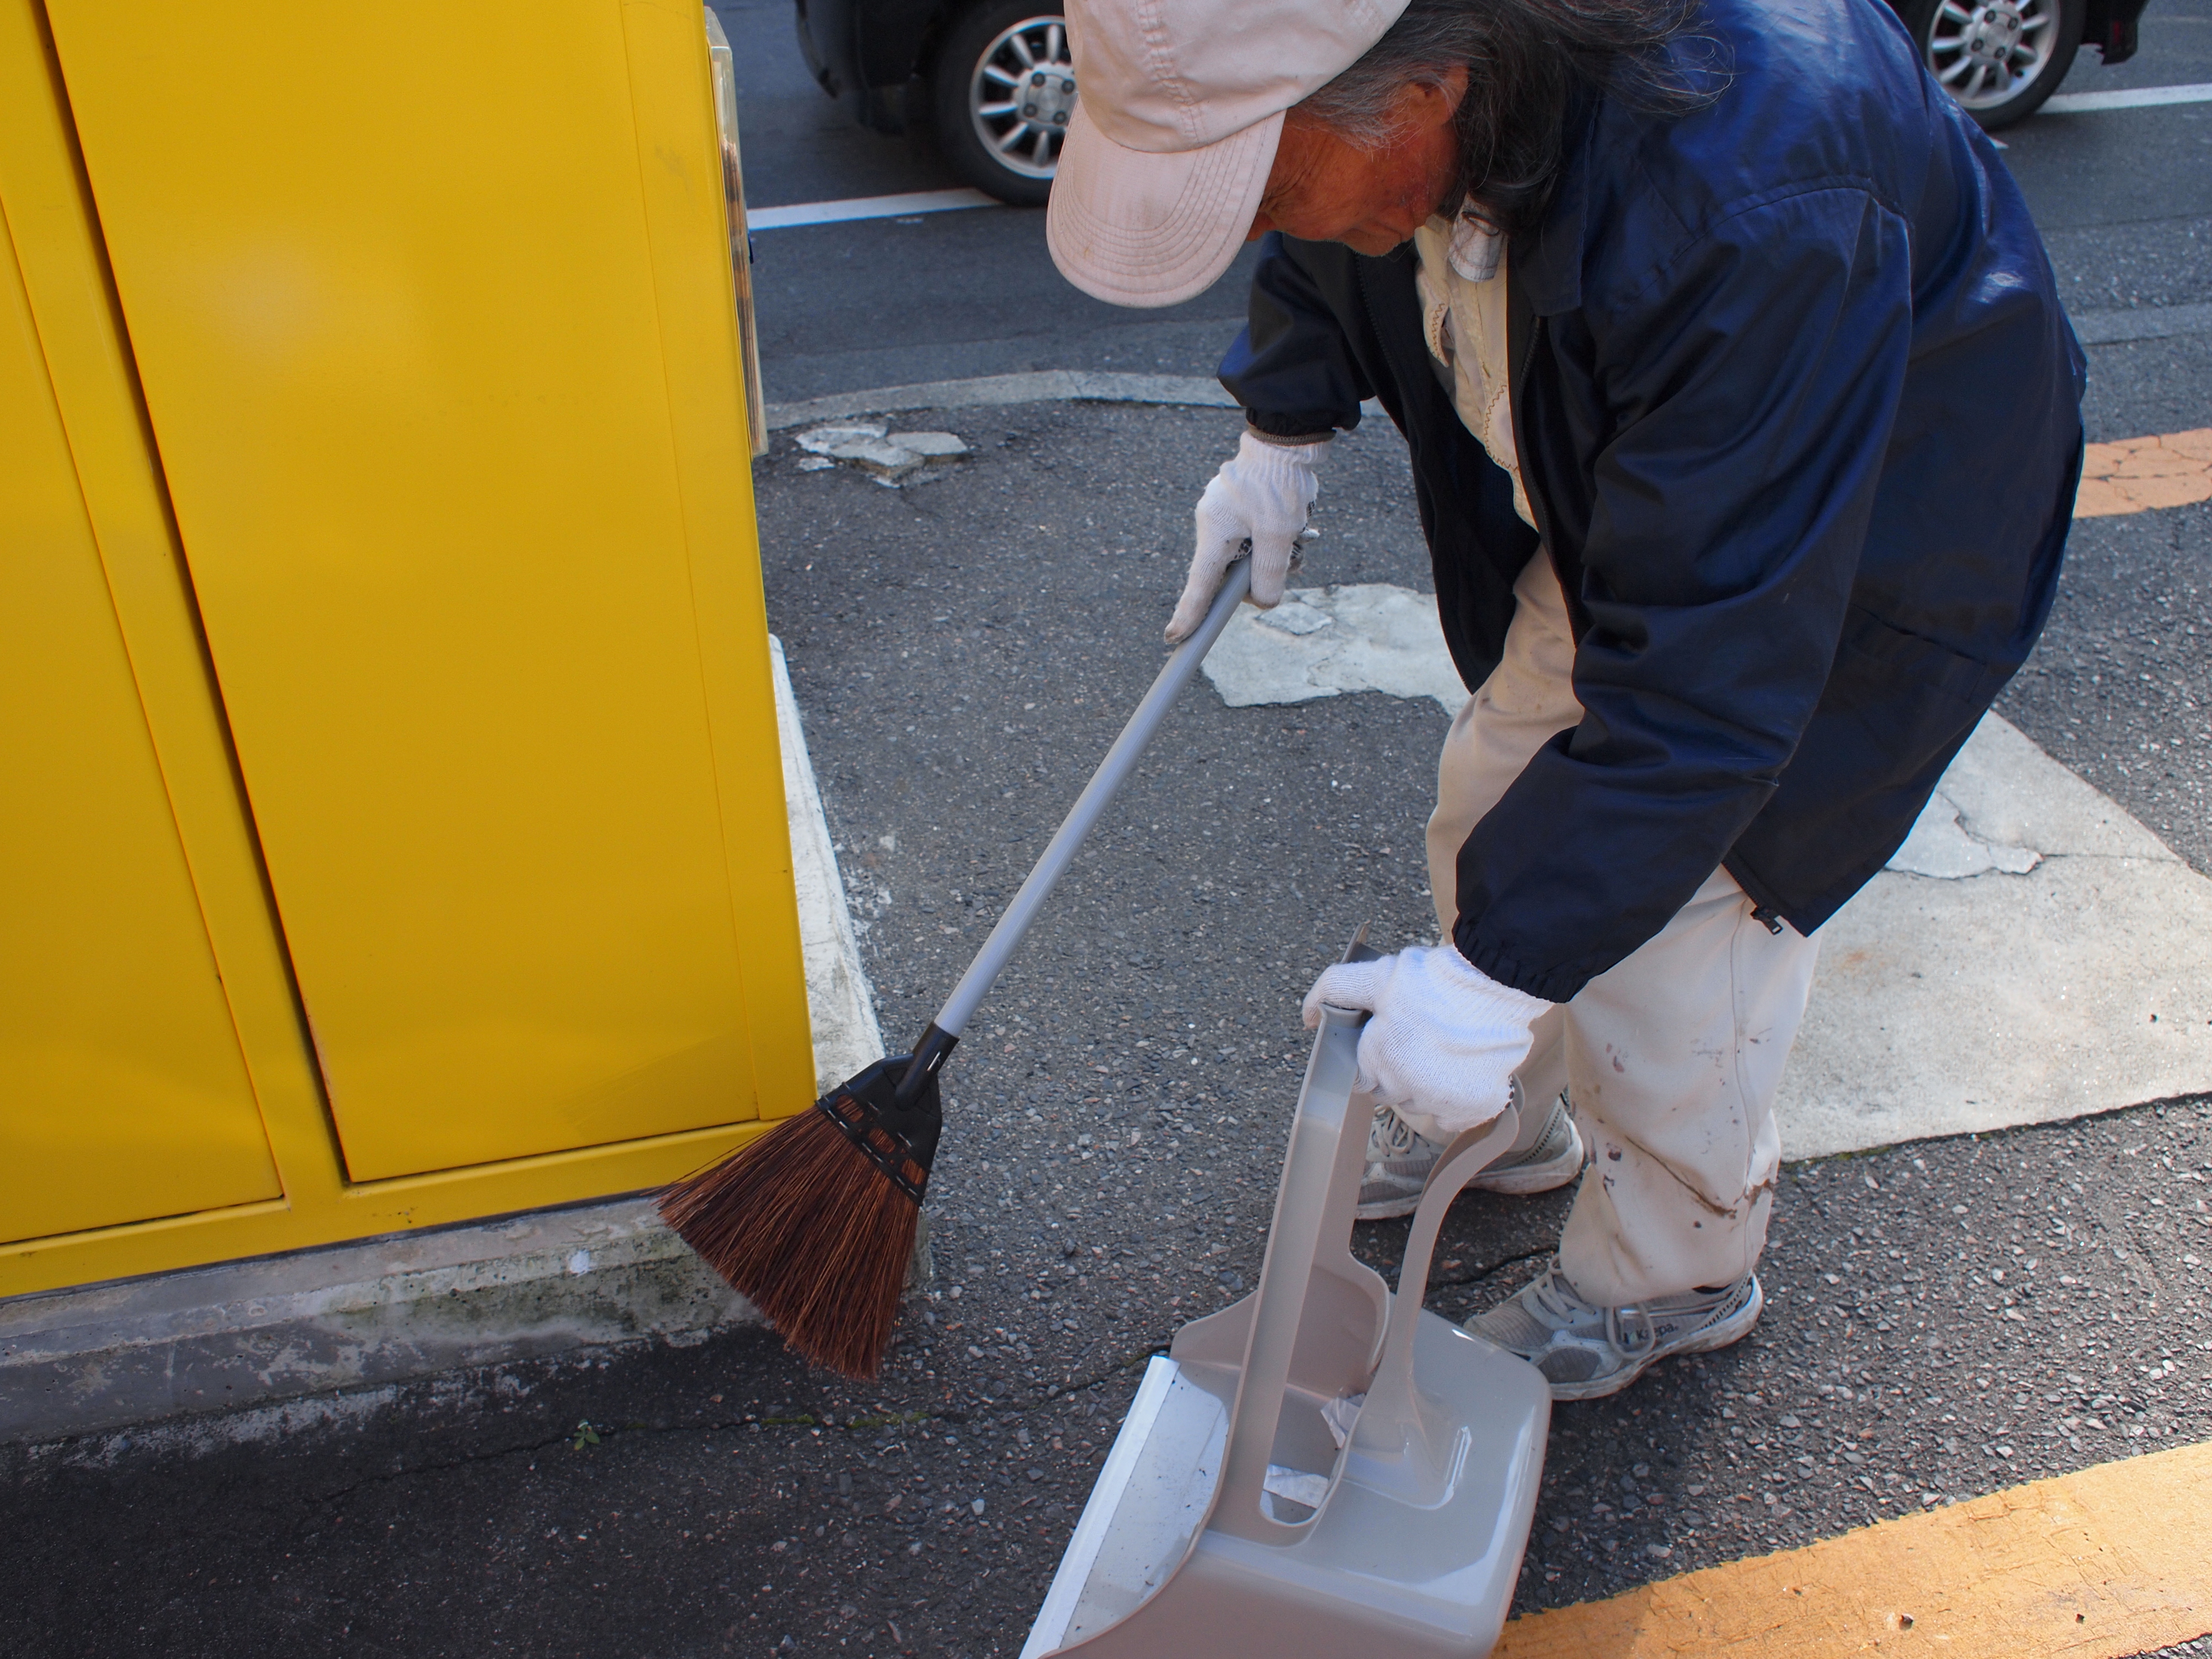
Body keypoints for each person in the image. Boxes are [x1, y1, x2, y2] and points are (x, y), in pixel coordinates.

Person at [1046, 0, 2083, 1397]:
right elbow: (1326, 236)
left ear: (1424, 95)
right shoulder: (1421, 84)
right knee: (1498, 800)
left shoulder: (1744, 194)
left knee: (1688, 915)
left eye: (1263, 187)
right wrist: (1279, 426)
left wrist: (1488, 978)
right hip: (1672, 482)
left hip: (1855, 516)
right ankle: (1500, 1119)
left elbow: (1705, 688)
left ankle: (1673, 1272)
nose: (1244, 228)